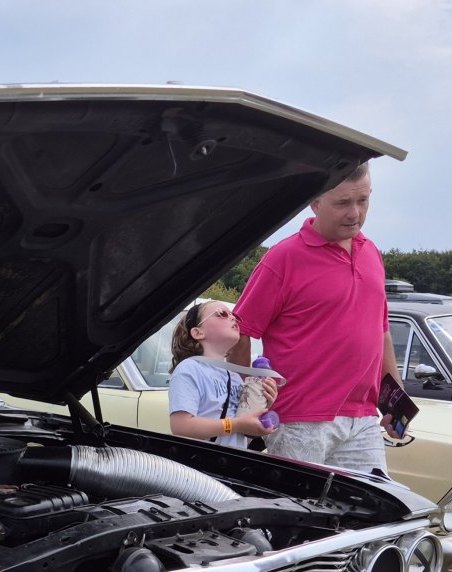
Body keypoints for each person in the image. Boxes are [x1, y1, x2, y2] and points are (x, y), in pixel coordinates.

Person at [229, 164, 402, 473]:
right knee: (301, 517)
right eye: (342, 203)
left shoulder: (371, 252)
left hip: (363, 419)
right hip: (299, 419)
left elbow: (382, 332)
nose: (354, 213)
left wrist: (395, 402)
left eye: (362, 201)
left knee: (371, 514)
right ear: (315, 202)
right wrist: (250, 404)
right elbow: (240, 330)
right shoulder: (283, 258)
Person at [167, 300, 276, 450]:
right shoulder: (189, 369)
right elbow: (181, 426)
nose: (232, 318)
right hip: (199, 464)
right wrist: (235, 424)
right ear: (198, 332)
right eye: (221, 314)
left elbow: (243, 432)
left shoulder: (235, 378)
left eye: (234, 317)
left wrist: (260, 407)